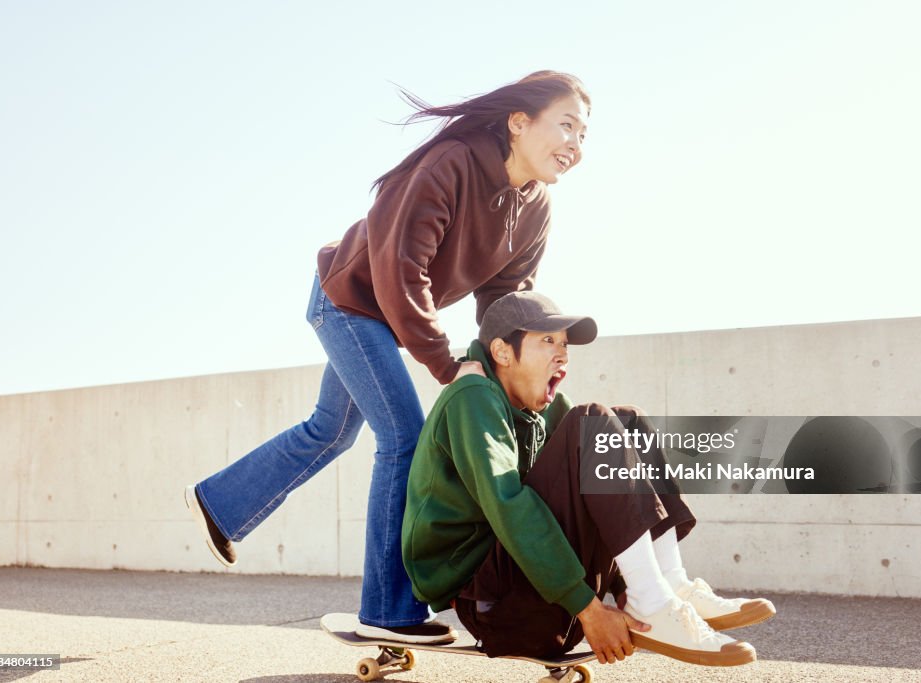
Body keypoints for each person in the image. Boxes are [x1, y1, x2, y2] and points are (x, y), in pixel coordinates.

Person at [184, 71, 592, 644]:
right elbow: (401, 273)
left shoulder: (536, 207)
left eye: (584, 134)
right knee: (405, 433)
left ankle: (219, 501)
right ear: (519, 123)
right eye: (566, 125)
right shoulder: (449, 164)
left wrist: (501, 364)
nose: (575, 144)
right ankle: (387, 610)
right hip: (348, 300)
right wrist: (452, 367)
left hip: (387, 319)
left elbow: (505, 300)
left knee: (329, 431)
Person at [401, 291, 777, 666]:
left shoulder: (544, 410)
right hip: (498, 610)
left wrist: (618, 592)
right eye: (547, 340)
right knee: (592, 420)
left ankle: (666, 587)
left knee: (627, 420)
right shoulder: (473, 396)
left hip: (546, 601)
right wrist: (590, 609)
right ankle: (654, 601)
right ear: (501, 352)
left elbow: (605, 502)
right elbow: (509, 505)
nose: (562, 354)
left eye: (564, 344)